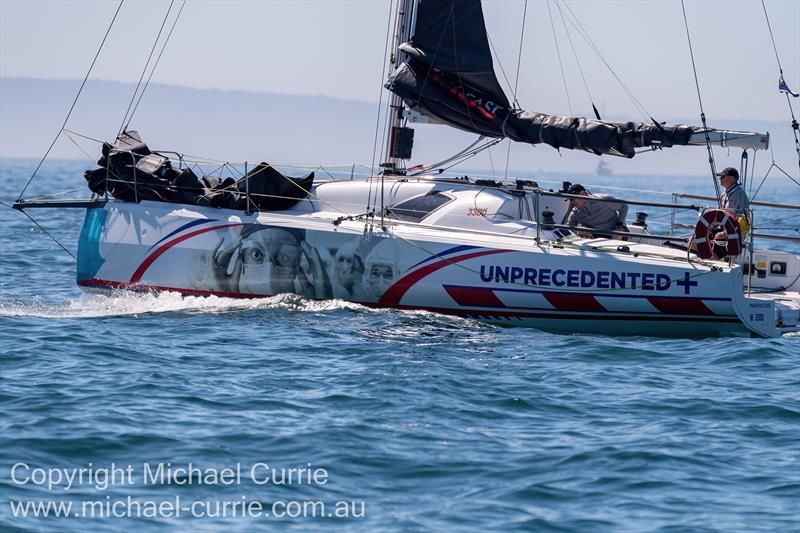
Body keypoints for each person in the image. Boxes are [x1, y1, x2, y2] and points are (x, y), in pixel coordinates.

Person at [564, 183, 629, 239]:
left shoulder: (602, 200)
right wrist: (578, 231)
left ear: (583, 194)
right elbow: (569, 229)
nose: (572, 202)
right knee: (581, 231)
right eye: (570, 199)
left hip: (613, 231)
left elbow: (624, 206)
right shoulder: (575, 212)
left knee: (618, 233)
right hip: (595, 235)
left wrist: (620, 222)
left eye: (573, 199)